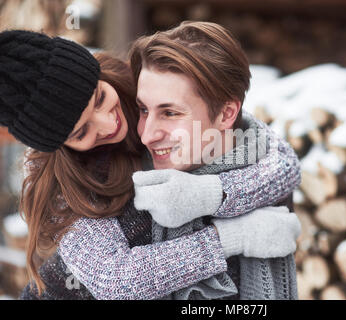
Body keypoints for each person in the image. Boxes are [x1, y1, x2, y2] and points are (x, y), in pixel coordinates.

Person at [0, 29, 301, 300]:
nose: (107, 124)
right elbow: (114, 279)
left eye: (100, 97)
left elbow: (281, 161)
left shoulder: (145, 85)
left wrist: (208, 194)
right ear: (60, 145)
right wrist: (234, 236)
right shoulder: (66, 188)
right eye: (81, 131)